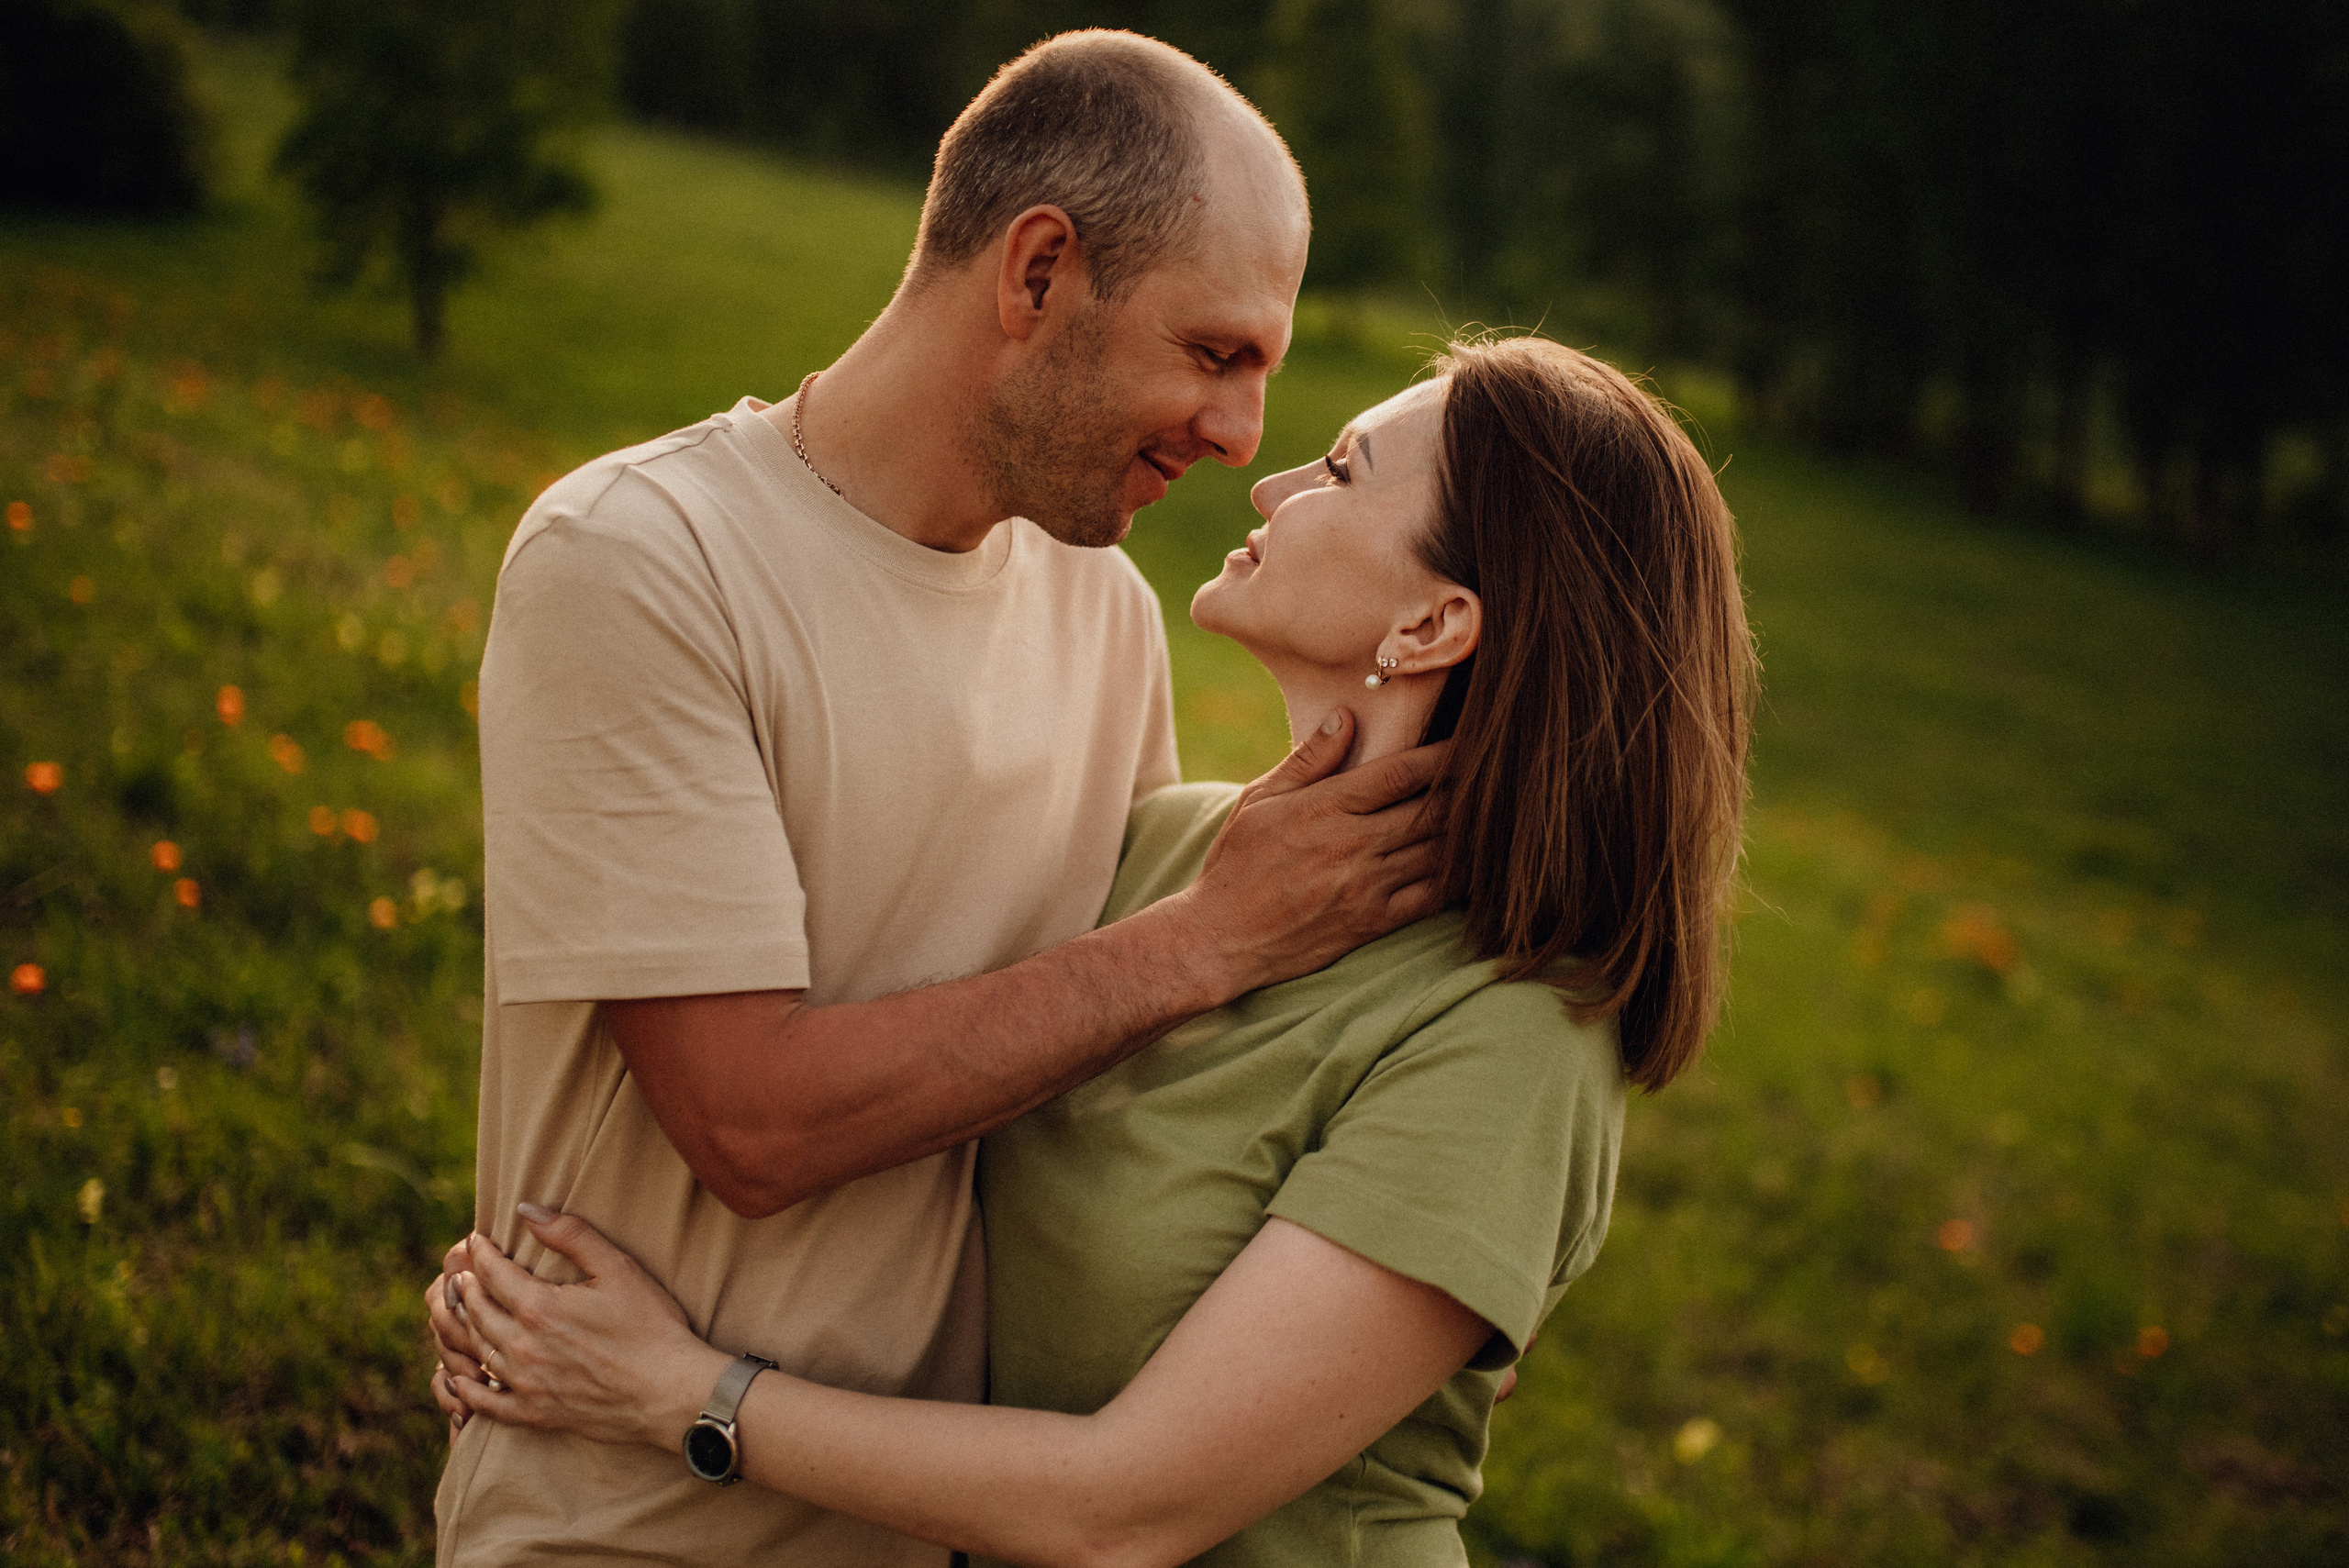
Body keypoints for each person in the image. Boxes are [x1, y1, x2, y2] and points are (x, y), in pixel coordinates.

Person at [429, 335, 1760, 1567]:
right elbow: (923, 1073)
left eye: (1342, 469)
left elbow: (1126, 1505)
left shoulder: (1513, 1032)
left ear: (1432, 625)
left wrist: (675, 1390)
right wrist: (540, 1291)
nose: (1268, 481)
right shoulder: (1165, 858)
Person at [438, 29, 1449, 1568]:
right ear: (1038, 273)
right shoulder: (642, 561)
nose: (1244, 438)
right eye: (1215, 354)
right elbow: (749, 1123)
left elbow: (1082, 1085)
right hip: (623, 1525)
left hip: (932, 1532)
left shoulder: (1102, 617)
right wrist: (1205, 940)